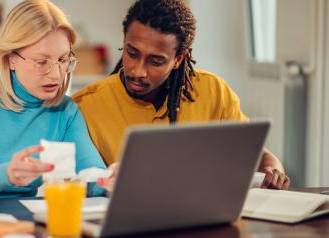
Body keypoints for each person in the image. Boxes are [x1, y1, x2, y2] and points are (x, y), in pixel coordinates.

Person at [73, 0, 290, 191]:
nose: (138, 71)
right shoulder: (86, 105)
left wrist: (272, 170)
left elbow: (258, 155)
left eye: (156, 61)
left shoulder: (214, 91)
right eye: (132, 53)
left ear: (178, 59)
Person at [0, 0, 106, 200]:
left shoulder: (66, 111)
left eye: (63, 59)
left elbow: (92, 175)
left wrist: (109, 180)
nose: (56, 75)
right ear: (11, 58)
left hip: (24, 223)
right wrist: (7, 174)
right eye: (42, 62)